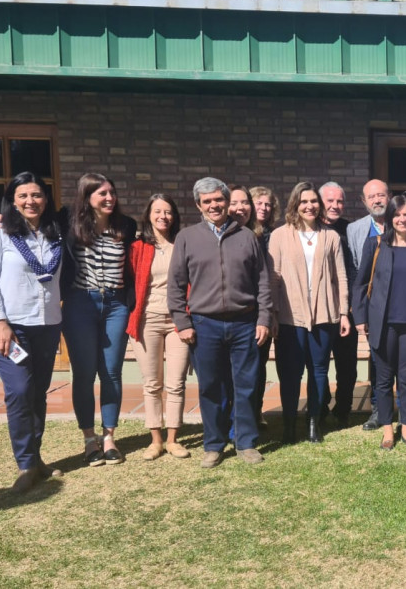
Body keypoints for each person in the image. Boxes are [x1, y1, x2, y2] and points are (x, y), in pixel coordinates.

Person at [169, 177, 272, 468]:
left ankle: (246, 442)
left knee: (246, 385)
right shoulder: (187, 238)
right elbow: (176, 285)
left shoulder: (247, 237)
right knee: (211, 387)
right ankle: (213, 444)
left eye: (219, 200)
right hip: (204, 325)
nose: (214, 205)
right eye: (207, 201)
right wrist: (182, 322)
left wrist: (264, 317)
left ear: (227, 202)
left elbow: (262, 281)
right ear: (199, 206)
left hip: (244, 323)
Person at [0, 172, 65, 492]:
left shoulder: (56, 232)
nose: (31, 201)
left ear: (46, 198)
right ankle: (26, 464)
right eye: (23, 196)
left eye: (37, 195)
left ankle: (36, 458)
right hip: (9, 328)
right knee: (19, 390)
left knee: (37, 392)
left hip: (46, 324)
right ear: (12, 201)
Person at [60, 173, 138, 467]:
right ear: (87, 197)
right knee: (84, 374)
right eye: (101, 194)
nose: (109, 198)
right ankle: (88, 439)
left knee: (112, 372)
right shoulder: (69, 223)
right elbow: (32, 217)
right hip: (81, 302)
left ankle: (109, 437)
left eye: (111, 193)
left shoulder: (125, 226)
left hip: (116, 304)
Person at [268, 182, 352, 444]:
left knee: (318, 371)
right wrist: (272, 312)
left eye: (314, 201)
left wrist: (344, 312)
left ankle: (314, 422)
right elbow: (274, 276)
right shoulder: (280, 235)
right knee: (291, 373)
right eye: (304, 201)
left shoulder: (331, 236)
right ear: (295, 204)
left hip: (324, 316)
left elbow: (340, 276)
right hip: (289, 317)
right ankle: (290, 425)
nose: (309, 206)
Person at [352, 195, 406, 451]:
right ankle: (388, 430)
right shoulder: (375, 245)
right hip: (382, 323)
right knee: (384, 379)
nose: (402, 219)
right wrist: (359, 318)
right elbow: (360, 283)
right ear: (389, 218)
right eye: (397, 215)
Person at [126, 194, 190, 461]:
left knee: (176, 382)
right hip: (146, 320)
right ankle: (156, 440)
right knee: (152, 383)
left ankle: (173, 439)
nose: (163, 216)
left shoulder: (183, 244)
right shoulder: (137, 246)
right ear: (149, 215)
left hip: (178, 321)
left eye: (168, 212)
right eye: (158, 211)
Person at [347, 179, 391, 431]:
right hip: (373, 307)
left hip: (399, 303)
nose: (377, 200)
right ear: (364, 202)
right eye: (371, 197)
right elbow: (357, 274)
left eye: (381, 195)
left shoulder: (404, 223)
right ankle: (378, 409)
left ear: (389, 197)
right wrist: (359, 310)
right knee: (377, 360)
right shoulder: (355, 230)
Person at [319, 181, 357, 428]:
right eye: (329, 201)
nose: (335, 205)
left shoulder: (349, 230)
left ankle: (343, 408)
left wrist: (352, 305)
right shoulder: (309, 231)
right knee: (319, 362)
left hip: (346, 310)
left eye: (339, 201)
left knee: (347, 365)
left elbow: (354, 269)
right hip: (319, 309)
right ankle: (321, 406)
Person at [249, 184, 280, 424]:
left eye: (268, 204)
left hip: (264, 308)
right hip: (242, 308)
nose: (264, 207)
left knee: (259, 366)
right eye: (259, 203)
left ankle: (256, 413)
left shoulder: (274, 234)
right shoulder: (243, 232)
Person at [249, 186, 281, 252]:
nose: (263, 208)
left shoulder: (274, 233)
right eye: (259, 203)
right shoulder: (246, 231)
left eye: (267, 205)